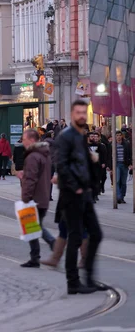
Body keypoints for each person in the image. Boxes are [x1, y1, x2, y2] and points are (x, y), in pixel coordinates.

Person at [56, 100, 105, 294]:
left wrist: (92, 184)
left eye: (84, 112)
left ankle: (89, 279)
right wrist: (75, 187)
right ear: (72, 114)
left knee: (95, 234)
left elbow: (82, 164)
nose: (82, 116)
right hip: (72, 194)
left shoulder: (80, 136)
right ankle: (73, 282)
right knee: (75, 237)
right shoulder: (66, 137)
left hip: (84, 193)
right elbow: (62, 165)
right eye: (78, 113)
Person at [16, 129, 56, 268]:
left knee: (32, 226)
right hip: (43, 196)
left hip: (35, 198)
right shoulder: (44, 154)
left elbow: (31, 179)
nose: (23, 142)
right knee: (34, 226)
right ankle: (36, 256)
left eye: (24, 139)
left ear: (32, 140)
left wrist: (25, 198)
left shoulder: (33, 156)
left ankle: (49, 247)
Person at [108, 131, 132, 204]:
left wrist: (130, 164)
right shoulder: (112, 145)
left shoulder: (126, 144)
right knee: (117, 181)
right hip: (116, 164)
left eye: (119, 135)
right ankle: (118, 196)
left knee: (123, 182)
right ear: (115, 137)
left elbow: (130, 154)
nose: (118, 137)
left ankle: (122, 197)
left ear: (122, 136)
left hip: (124, 165)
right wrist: (109, 166)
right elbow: (109, 156)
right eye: (117, 135)